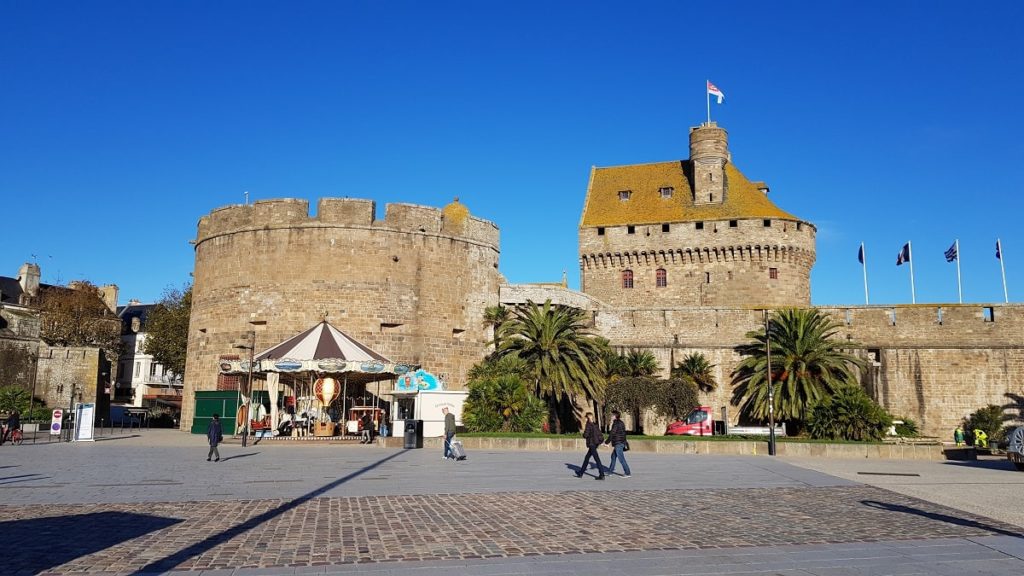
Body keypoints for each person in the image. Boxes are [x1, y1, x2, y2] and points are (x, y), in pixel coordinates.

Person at [576, 412, 605, 480]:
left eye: (586, 417)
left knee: (597, 459)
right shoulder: (595, 424)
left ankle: (602, 474)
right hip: (595, 444)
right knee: (587, 458)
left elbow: (586, 435)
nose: (585, 419)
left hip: (592, 444)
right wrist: (601, 441)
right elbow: (599, 434)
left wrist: (583, 434)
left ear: (587, 418)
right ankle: (581, 473)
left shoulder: (588, 425)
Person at [604, 410, 631, 478]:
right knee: (613, 456)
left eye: (612, 415)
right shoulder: (621, 422)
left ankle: (627, 473)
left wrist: (606, 442)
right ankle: (610, 471)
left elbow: (612, 433)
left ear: (615, 416)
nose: (611, 416)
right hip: (620, 442)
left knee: (621, 459)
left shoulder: (616, 424)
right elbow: (623, 433)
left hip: (618, 443)